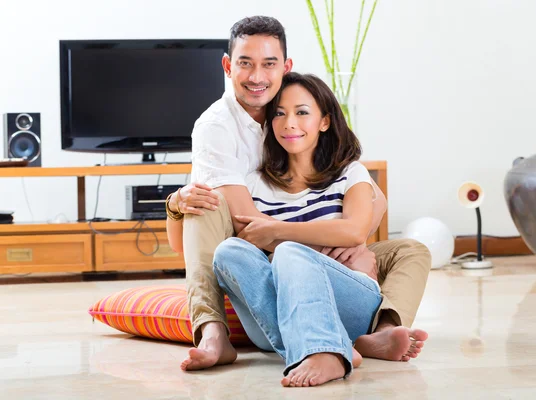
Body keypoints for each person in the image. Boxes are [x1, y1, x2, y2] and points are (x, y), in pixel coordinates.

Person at [165, 16, 431, 372]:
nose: (257, 77)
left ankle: (382, 330)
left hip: (328, 264)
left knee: (410, 249)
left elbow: (364, 202)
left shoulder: (335, 156)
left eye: (269, 64)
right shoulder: (220, 132)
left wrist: (358, 239)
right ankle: (220, 331)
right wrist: (175, 206)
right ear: (228, 66)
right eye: (245, 63)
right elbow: (248, 229)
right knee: (218, 222)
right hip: (269, 255)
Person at [213, 71, 428, 387]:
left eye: (302, 112)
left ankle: (329, 349)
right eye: (279, 114)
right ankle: (340, 345)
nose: (289, 123)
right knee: (228, 251)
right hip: (280, 309)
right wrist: (315, 242)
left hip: (349, 298)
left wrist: (278, 232)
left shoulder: (349, 173)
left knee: (289, 252)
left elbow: (354, 232)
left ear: (324, 121)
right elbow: (251, 241)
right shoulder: (252, 184)